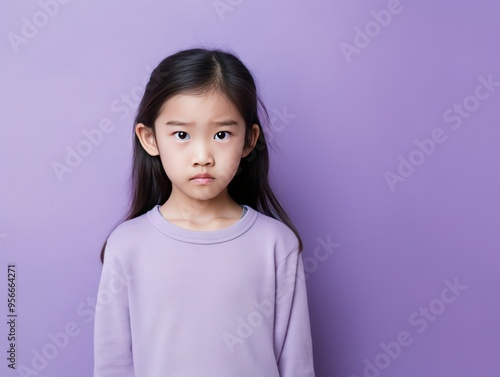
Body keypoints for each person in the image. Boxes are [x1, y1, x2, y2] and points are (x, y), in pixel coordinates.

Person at [93, 47, 315, 377]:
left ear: (248, 140)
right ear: (150, 138)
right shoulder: (127, 245)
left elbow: (296, 366)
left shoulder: (275, 244)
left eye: (221, 134)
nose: (202, 156)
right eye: (181, 134)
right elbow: (113, 364)